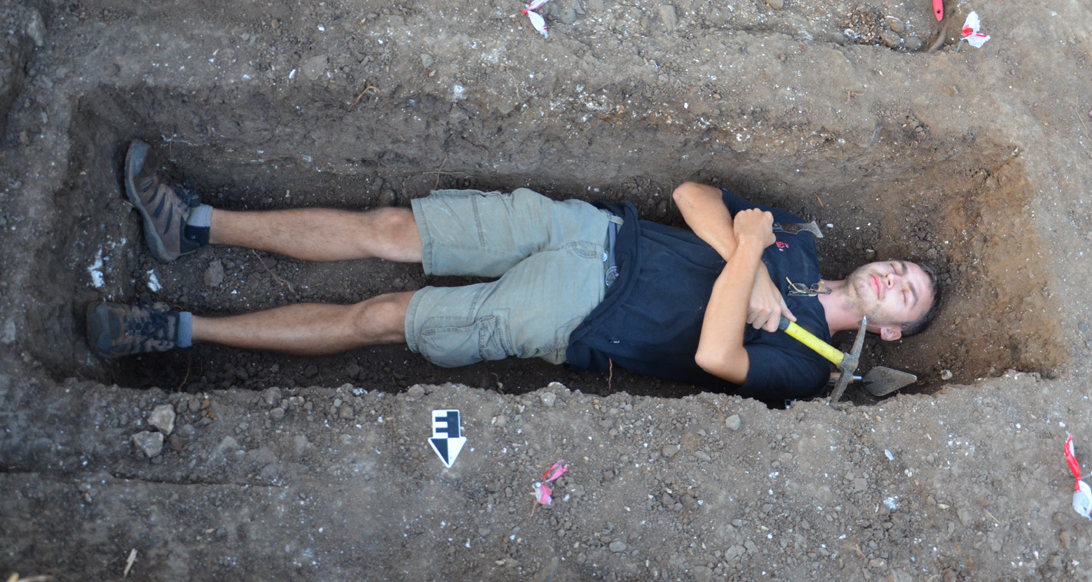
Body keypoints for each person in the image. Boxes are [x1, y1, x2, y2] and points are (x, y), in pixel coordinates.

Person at [87, 141, 940, 402]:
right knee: (392, 229)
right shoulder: (799, 246)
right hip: (589, 230)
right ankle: (191, 224)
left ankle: (176, 329)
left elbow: (717, 355)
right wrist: (751, 265)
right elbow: (693, 195)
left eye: (905, 295)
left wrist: (747, 257)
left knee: (384, 315)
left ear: (892, 332)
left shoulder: (807, 366)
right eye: (900, 266)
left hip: (576, 313)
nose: (893, 278)